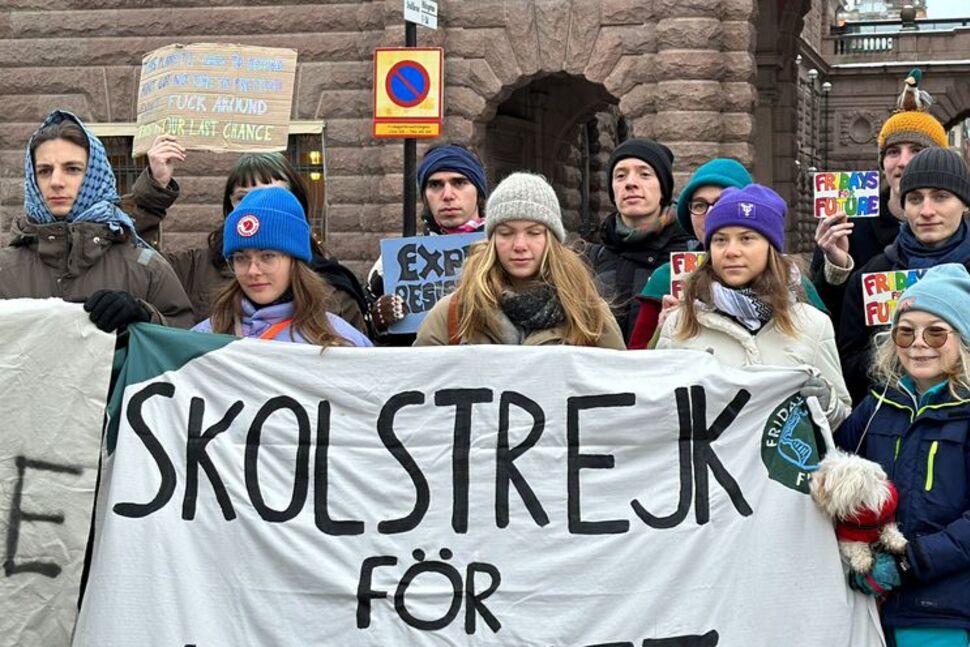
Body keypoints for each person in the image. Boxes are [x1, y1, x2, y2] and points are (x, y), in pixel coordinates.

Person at [835, 263, 970, 647]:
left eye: (936, 332)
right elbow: (831, 471)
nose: (919, 344)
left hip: (946, 609)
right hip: (871, 603)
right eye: (905, 332)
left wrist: (911, 559)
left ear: (962, 338)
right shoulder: (876, 405)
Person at [657, 184, 851, 430]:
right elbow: (660, 415)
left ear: (770, 246)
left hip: (785, 466)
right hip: (709, 466)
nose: (731, 251)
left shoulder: (813, 325)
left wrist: (828, 403)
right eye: (720, 240)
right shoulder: (681, 324)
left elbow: (842, 415)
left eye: (746, 239)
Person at [127, 145, 369, 333]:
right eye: (243, 198)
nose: (257, 207)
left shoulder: (335, 293)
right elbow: (127, 263)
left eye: (272, 194)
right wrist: (153, 192)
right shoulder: (195, 270)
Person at [0, 110, 192, 331]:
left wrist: (145, 317)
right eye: (44, 171)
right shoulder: (5, 270)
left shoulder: (146, 268)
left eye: (72, 169)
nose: (56, 182)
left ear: (94, 174)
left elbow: (183, 338)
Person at [414, 172, 624, 348]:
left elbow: (618, 386)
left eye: (533, 233)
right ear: (492, 239)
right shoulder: (453, 313)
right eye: (506, 233)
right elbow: (418, 383)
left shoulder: (589, 314)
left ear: (551, 239)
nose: (520, 245)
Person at [811, 74, 948, 326]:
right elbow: (823, 319)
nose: (903, 162)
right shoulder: (849, 225)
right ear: (882, 164)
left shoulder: (960, 234)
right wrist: (836, 268)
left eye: (916, 151)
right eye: (893, 152)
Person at [838, 147, 970, 404]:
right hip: (891, 418)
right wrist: (897, 351)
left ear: (964, 203)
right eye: (915, 199)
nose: (927, 210)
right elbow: (848, 366)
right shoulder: (872, 276)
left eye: (941, 196)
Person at [193, 187, 371, 348]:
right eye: (241, 258)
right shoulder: (204, 338)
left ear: (295, 261)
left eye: (268, 256)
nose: (253, 271)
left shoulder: (340, 341)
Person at [367, 143, 488, 343]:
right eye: (435, 185)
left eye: (459, 182)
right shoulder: (393, 263)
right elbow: (361, 334)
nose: (448, 195)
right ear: (425, 196)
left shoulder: (502, 249)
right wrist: (378, 322)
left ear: (478, 192)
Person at [583, 138, 691, 342]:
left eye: (644, 174)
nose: (631, 183)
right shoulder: (590, 258)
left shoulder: (689, 253)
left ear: (663, 189)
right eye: (620, 175)